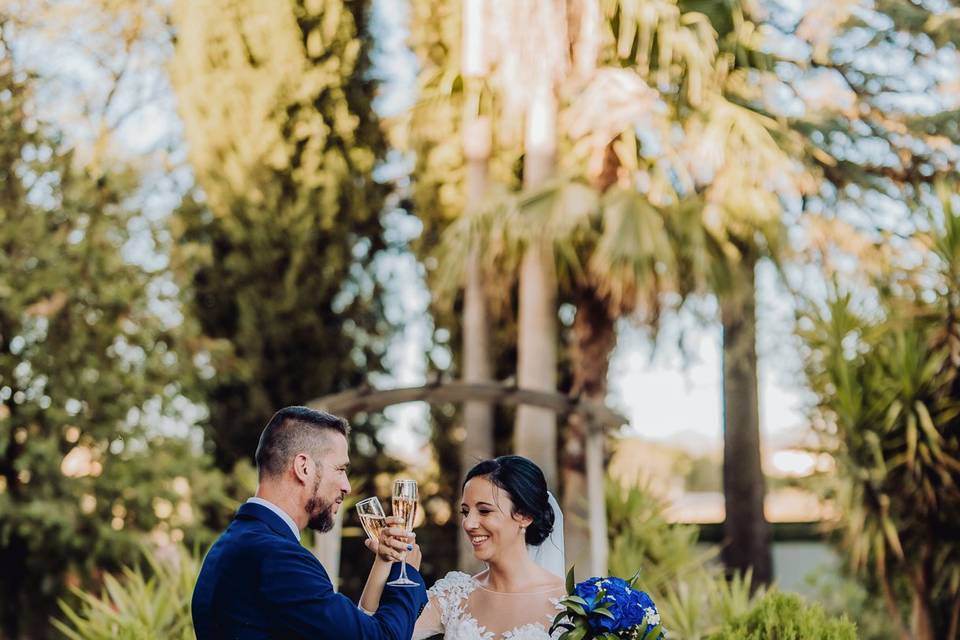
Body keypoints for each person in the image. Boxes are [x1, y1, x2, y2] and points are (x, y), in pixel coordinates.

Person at [192, 406, 428, 640]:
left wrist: (384, 563)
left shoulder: (230, 545)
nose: (347, 486)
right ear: (303, 467)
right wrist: (406, 576)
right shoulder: (278, 558)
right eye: (340, 469)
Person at [359, 455, 566, 639]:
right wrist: (383, 561)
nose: (468, 524)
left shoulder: (569, 604)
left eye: (484, 511)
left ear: (524, 515)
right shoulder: (454, 595)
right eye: (465, 512)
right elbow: (373, 632)